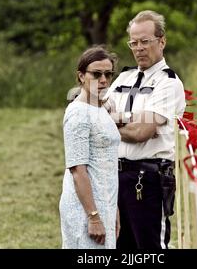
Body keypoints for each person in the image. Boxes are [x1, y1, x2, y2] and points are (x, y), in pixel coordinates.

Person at [105, 10, 186, 249]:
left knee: (149, 248)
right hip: (115, 175)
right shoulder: (122, 79)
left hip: (148, 178)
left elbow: (142, 133)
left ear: (162, 41)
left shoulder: (168, 83)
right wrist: (127, 120)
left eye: (145, 41)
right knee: (119, 246)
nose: (138, 48)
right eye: (133, 42)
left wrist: (112, 122)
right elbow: (98, 116)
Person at [59, 46, 121, 249]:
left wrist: (114, 209)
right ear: (81, 76)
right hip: (85, 208)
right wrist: (93, 216)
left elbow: (106, 163)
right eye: (96, 74)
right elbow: (78, 170)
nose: (103, 80)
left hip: (104, 202)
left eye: (108, 74)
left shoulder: (100, 107)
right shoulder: (78, 113)